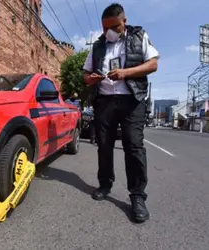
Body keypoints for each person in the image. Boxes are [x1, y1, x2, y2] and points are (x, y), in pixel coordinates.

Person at [82, 3, 159, 223]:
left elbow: (152, 64)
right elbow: (86, 76)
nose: (110, 32)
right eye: (105, 28)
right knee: (104, 146)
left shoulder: (139, 36)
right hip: (105, 101)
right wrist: (92, 79)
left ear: (124, 21)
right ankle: (105, 184)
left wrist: (125, 73)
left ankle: (137, 196)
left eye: (114, 27)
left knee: (133, 146)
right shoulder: (97, 46)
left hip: (132, 100)